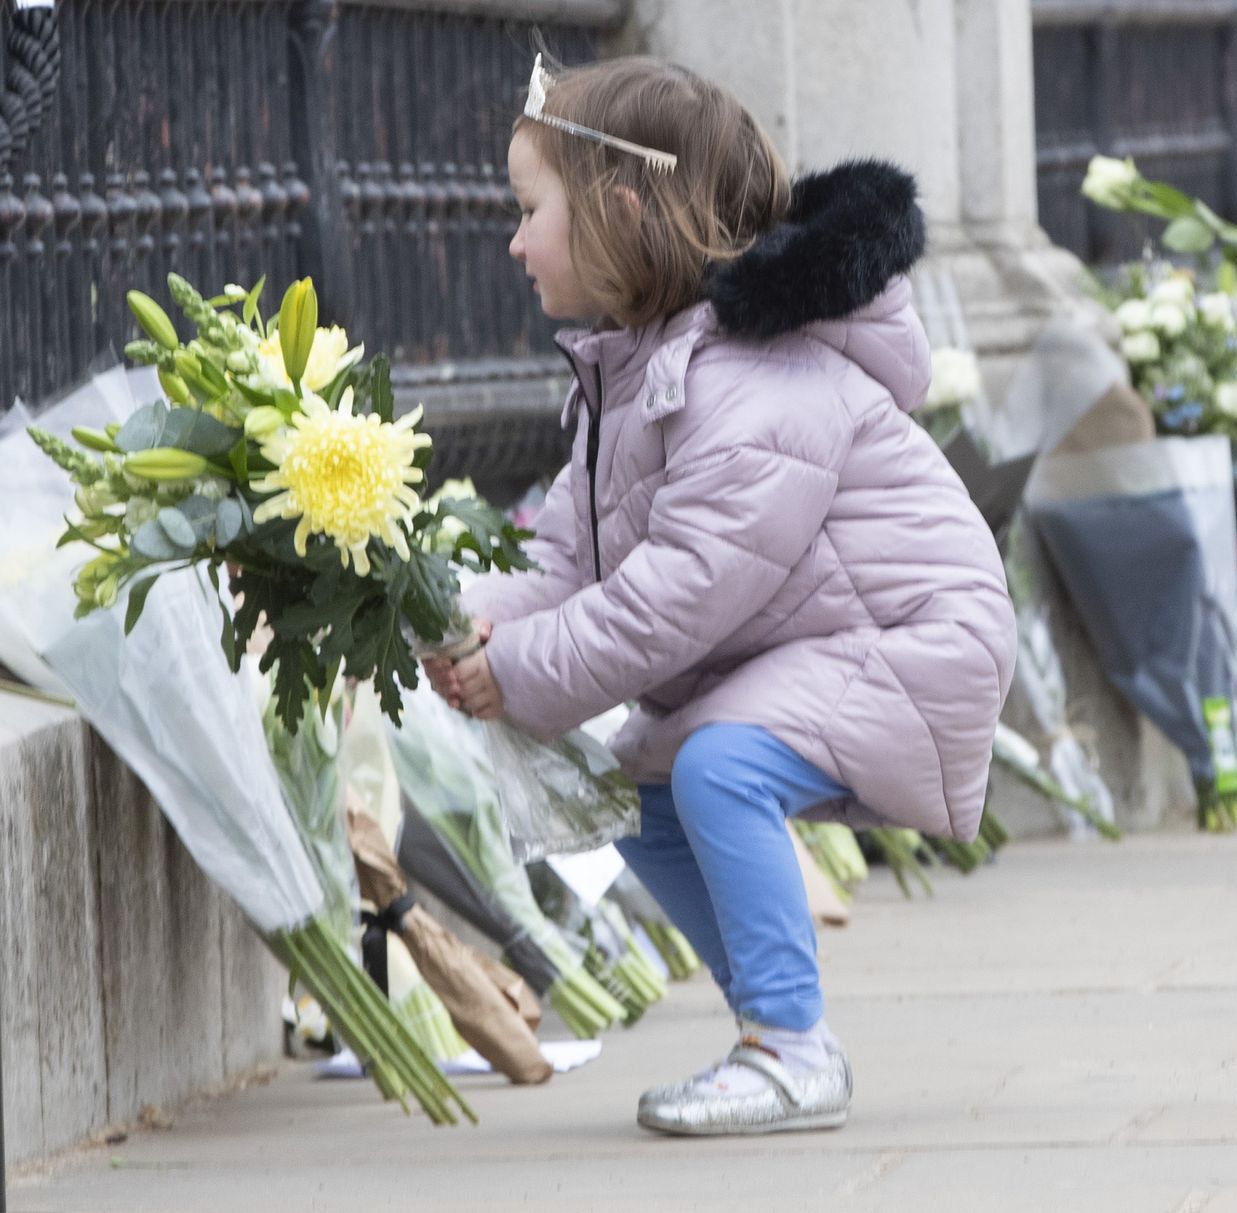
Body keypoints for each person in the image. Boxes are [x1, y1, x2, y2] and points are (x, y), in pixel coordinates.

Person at [424, 53, 1017, 1136]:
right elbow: (567, 563)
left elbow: (674, 597)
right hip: (830, 642)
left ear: (619, 211)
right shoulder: (633, 368)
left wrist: (512, 673)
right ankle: (776, 1036)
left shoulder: (752, 382)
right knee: (641, 797)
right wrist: (455, 619)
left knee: (717, 767)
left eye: (529, 210)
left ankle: (789, 1046)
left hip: (913, 638)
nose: (512, 242)